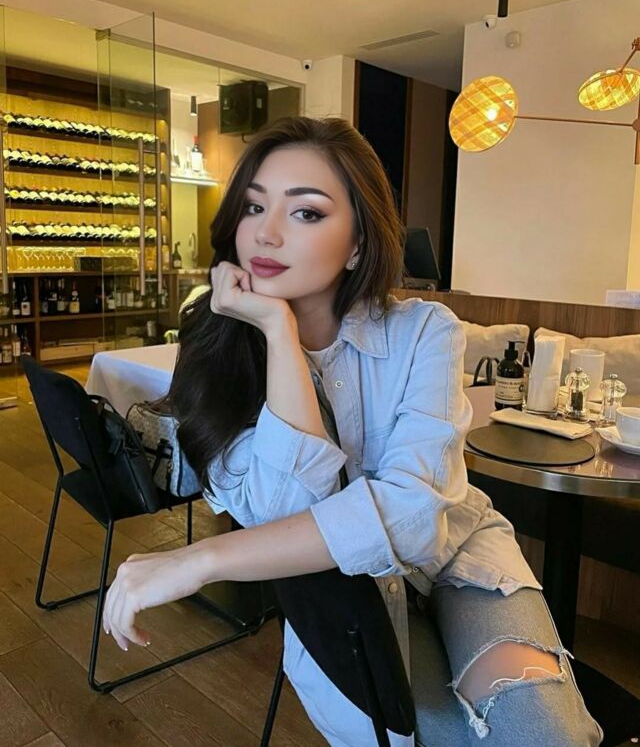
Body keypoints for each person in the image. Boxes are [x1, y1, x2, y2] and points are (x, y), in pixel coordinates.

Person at [102, 117, 602, 746]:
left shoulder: (424, 331)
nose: (267, 233)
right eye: (254, 206)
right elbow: (284, 511)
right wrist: (278, 333)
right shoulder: (217, 356)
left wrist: (199, 559)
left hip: (461, 560)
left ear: (359, 243)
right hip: (342, 601)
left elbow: (414, 515)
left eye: (306, 212)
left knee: (543, 735)